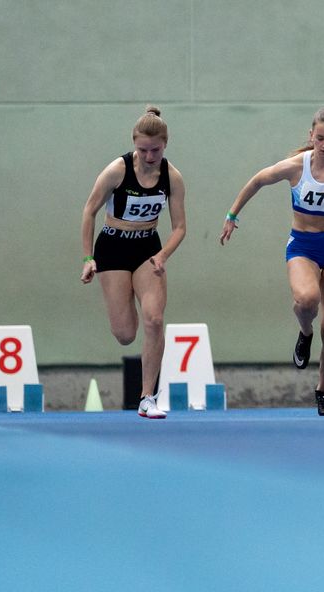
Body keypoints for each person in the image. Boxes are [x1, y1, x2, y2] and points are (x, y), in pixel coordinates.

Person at [219, 101, 324, 416]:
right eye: (320, 138)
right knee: (307, 300)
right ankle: (305, 332)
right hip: (303, 245)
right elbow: (258, 180)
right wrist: (232, 215)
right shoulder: (297, 166)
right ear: (311, 135)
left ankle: (323, 391)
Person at [80, 106, 188, 419]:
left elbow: (180, 227)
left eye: (155, 150)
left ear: (165, 144)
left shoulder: (172, 177)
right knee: (126, 334)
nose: (149, 156)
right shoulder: (117, 170)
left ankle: (147, 397)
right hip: (112, 248)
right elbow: (89, 211)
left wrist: (163, 254)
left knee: (154, 320)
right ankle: (125, 295)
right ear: (134, 144)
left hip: (147, 250)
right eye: (142, 150)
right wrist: (88, 258)